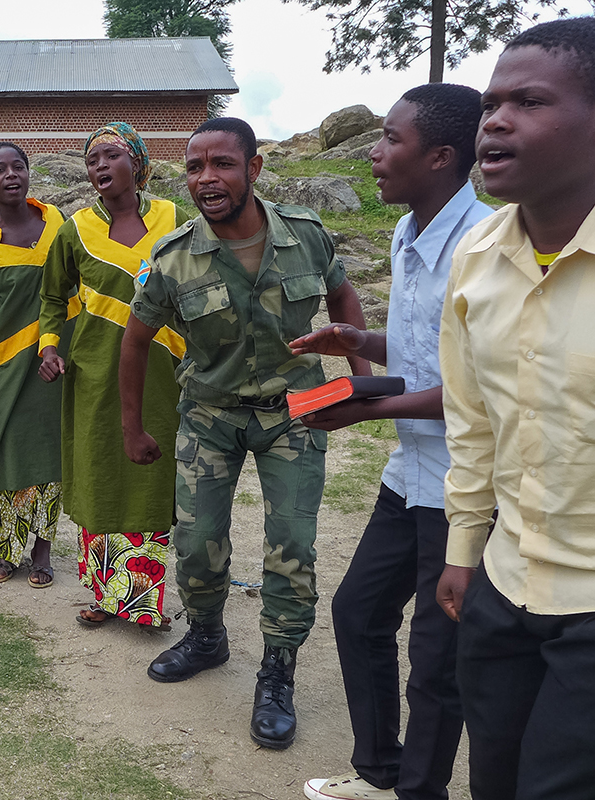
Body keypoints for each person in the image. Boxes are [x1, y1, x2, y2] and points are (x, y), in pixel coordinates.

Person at [120, 117, 370, 749]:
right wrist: (132, 425)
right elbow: (135, 341)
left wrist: (360, 381)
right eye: (196, 167)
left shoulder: (306, 237)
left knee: (292, 545)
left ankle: (278, 671)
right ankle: (207, 636)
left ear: (253, 169)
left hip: (294, 410)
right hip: (210, 414)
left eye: (223, 164)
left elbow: (344, 304)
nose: (208, 178)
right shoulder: (172, 256)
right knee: (198, 540)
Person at [291, 85, 492, 800]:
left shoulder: (480, 246)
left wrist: (363, 412)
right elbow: (427, 351)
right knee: (358, 614)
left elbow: (480, 389)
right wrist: (359, 340)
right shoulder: (411, 235)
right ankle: (380, 773)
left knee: (436, 664)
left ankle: (420, 792)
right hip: (411, 474)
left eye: (390, 140)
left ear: (440, 157)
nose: (374, 154)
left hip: (463, 489)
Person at [435, 18, 595, 800]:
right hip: (504, 586)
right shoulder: (476, 262)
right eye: (490, 103)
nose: (494, 119)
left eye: (528, 101)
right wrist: (465, 548)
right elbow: (472, 425)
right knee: (493, 779)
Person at [38, 121, 189, 629]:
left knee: (149, 477)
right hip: (95, 376)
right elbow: (52, 297)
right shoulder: (74, 228)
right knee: (102, 475)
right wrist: (50, 347)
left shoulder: (174, 220)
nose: (99, 165)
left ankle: (146, 602)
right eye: (91, 160)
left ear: (137, 162)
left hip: (164, 376)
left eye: (110, 155)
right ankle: (107, 598)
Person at [0, 142, 70, 588]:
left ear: (28, 174)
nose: (10, 175)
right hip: (1, 371)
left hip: (52, 365)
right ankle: (7, 548)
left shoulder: (59, 226)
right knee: (7, 458)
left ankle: (42, 552)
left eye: (18, 167)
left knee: (48, 458)